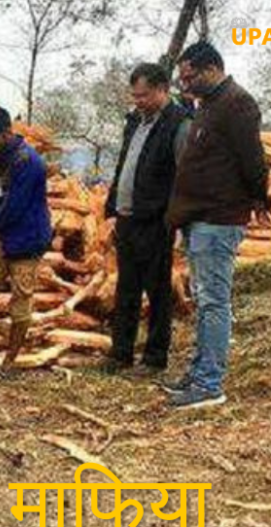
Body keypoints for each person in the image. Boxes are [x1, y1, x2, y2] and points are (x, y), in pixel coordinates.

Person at [163, 41, 269, 410]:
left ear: (212, 68)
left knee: (213, 303)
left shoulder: (237, 103)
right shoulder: (208, 105)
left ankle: (210, 384)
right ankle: (199, 372)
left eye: (190, 76)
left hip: (219, 219)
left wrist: (259, 198)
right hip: (200, 218)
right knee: (204, 300)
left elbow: (253, 159)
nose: (185, 84)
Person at [103, 63, 191, 377]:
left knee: (157, 291)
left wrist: (176, 221)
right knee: (126, 288)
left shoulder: (179, 124)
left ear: (162, 89)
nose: (137, 101)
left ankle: (154, 359)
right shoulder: (134, 123)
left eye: (143, 95)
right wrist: (111, 208)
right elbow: (123, 167)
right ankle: (120, 353)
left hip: (155, 221)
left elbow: (185, 177)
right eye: (134, 96)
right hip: (127, 219)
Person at [0, 105, 52, 373]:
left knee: (20, 302)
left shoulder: (29, 162)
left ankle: (10, 360)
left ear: (7, 132)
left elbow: (14, 208)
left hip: (27, 241)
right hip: (3, 236)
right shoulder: (2, 154)